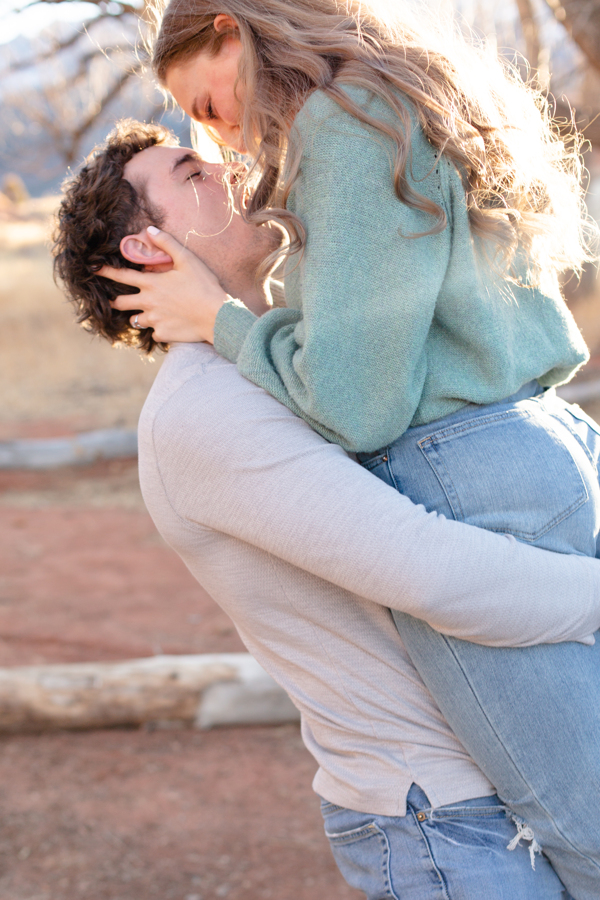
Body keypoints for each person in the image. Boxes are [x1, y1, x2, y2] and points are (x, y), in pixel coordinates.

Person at [90, 2, 600, 896]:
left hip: (474, 471)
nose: (221, 144)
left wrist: (225, 321)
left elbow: (357, 408)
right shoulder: (396, 96)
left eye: (204, 108)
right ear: (147, 247)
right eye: (195, 149)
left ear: (228, 29)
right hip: (540, 445)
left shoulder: (340, 120)